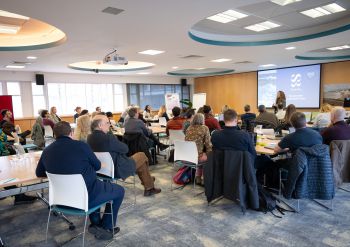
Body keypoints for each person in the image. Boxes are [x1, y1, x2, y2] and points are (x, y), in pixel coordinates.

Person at [36, 121, 124, 240]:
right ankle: (106, 227)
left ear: (54, 134)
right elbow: (97, 166)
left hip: (60, 200)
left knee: (95, 187)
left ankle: (97, 224)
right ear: (71, 133)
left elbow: (39, 173)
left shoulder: (47, 150)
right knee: (119, 190)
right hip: (86, 197)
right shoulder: (81, 146)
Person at [87, 115, 161, 196]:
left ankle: (149, 186)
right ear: (100, 126)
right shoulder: (109, 138)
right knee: (142, 155)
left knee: (141, 163)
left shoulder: (89, 138)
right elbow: (125, 149)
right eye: (107, 123)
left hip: (102, 170)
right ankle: (149, 181)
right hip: (117, 169)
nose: (109, 125)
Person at [185, 113, 212, 185]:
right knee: (209, 155)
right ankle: (204, 179)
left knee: (201, 154)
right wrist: (209, 153)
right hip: (196, 158)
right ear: (202, 120)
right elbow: (208, 144)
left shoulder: (189, 128)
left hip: (186, 157)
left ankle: (198, 177)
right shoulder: (205, 128)